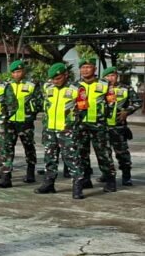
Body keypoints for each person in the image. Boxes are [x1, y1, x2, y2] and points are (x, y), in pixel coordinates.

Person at [34, 63, 85, 198]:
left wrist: (73, 125)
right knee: (49, 158)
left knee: (72, 158)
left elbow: (83, 109)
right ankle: (49, 183)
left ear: (66, 75)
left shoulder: (77, 89)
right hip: (50, 129)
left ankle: (77, 186)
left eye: (58, 78)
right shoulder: (48, 87)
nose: (55, 81)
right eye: (53, 79)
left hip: (67, 130)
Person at [75, 57, 116, 192]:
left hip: (99, 125)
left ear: (95, 69)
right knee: (82, 153)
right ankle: (85, 179)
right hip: (81, 125)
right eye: (83, 67)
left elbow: (112, 102)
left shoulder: (105, 84)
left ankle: (110, 180)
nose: (85, 70)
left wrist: (107, 118)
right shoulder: (75, 85)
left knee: (103, 153)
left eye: (88, 67)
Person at [7, 60, 43, 184]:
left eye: (19, 71)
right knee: (8, 148)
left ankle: (30, 172)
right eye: (14, 72)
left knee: (29, 147)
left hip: (25, 121)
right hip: (10, 121)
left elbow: (39, 102)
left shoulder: (32, 85)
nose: (16, 74)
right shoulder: (8, 85)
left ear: (23, 72)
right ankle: (6, 172)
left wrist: (31, 112)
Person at [104, 66, 141, 186]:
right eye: (108, 76)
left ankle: (126, 176)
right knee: (104, 154)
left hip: (118, 126)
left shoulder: (126, 88)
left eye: (113, 75)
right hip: (102, 126)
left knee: (122, 153)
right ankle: (106, 175)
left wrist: (127, 111)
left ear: (117, 76)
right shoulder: (100, 89)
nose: (110, 78)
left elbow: (137, 102)